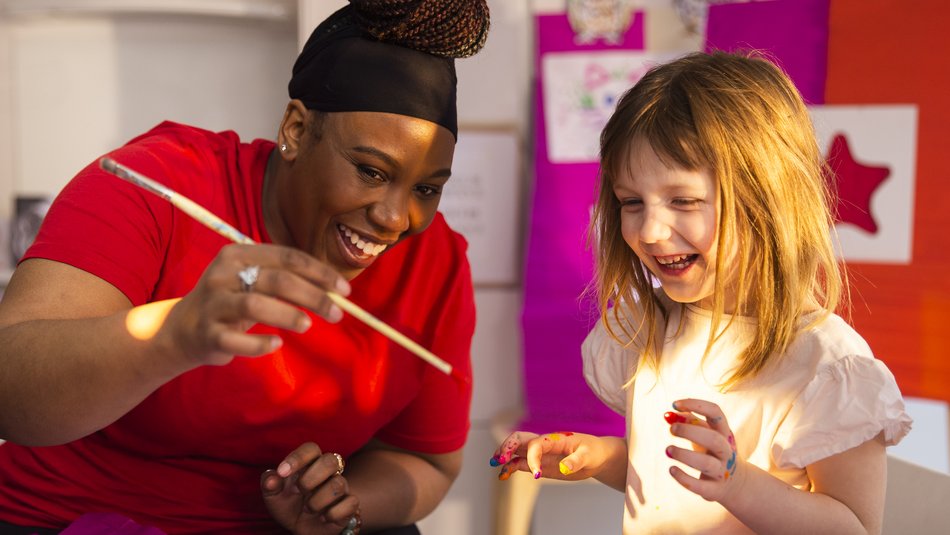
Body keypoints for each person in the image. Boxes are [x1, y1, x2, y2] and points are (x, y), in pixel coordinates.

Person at [0, 0, 489, 533]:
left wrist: (342, 506)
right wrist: (172, 336)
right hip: (69, 515)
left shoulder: (434, 261)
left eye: (425, 188)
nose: (395, 218)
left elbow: (426, 461)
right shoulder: (160, 182)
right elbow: (10, 386)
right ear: (297, 129)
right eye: (371, 171)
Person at [491, 51, 912, 534]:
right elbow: (675, 483)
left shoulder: (829, 365)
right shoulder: (649, 327)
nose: (648, 230)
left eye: (683, 200)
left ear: (766, 199)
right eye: (631, 202)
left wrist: (738, 485)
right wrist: (603, 458)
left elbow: (854, 527)